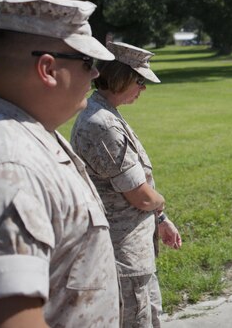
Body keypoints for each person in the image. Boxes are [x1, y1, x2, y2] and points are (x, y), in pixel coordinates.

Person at [0, 0, 121, 327]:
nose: (94, 74)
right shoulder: (8, 169)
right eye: (86, 62)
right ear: (47, 69)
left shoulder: (28, 134)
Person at [71, 41, 182, 328]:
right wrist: (160, 203)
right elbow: (142, 197)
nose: (142, 88)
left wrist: (161, 219)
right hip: (122, 259)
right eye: (139, 80)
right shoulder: (102, 124)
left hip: (131, 253)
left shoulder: (106, 114)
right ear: (121, 77)